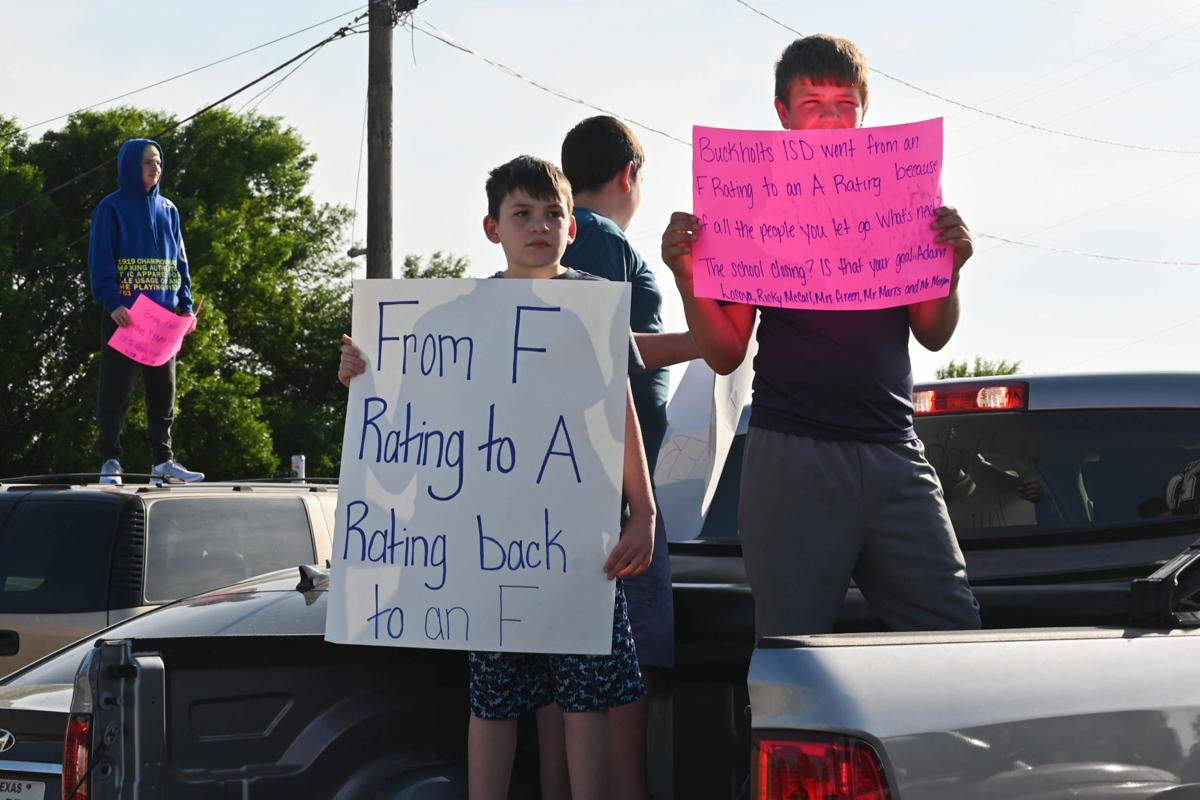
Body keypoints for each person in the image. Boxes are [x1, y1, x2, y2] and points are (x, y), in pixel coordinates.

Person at [340, 155, 655, 800]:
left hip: (577, 552)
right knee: (493, 704)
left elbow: (619, 415)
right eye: (522, 214)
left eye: (552, 214)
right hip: (485, 556)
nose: (538, 226)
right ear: (493, 228)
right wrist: (362, 373)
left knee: (586, 702)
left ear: (572, 227)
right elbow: (402, 431)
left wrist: (644, 513)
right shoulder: (457, 316)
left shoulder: (592, 307)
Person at [660, 34, 981, 638]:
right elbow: (727, 353)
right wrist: (687, 276)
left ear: (865, 112)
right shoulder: (749, 204)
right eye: (813, 104)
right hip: (792, 449)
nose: (831, 118)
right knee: (792, 644)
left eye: (844, 104)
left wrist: (951, 268)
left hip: (892, 445)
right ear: (782, 114)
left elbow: (933, 333)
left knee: (951, 632)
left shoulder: (904, 200)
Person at [559, 114, 696, 798]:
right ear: (629, 175)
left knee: (567, 662)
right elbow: (610, 351)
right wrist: (709, 339)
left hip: (571, 478)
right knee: (627, 660)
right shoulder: (606, 240)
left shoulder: (562, 238)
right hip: (615, 485)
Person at [89, 137, 202, 485]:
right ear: (129, 166)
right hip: (126, 315)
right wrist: (112, 302)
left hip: (163, 321)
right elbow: (101, 258)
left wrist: (186, 307)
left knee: (163, 391)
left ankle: (163, 461)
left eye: (158, 162)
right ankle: (110, 459)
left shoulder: (169, 210)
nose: (155, 169)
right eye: (147, 162)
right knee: (116, 389)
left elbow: (180, 261)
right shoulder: (111, 208)